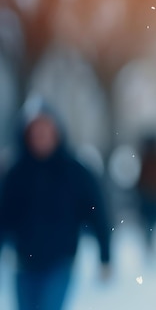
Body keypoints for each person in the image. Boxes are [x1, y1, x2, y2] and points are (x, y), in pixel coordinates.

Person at [0, 99, 112, 310]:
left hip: (60, 263)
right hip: (23, 264)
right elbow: (3, 217)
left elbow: (97, 214)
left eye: (46, 129)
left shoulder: (76, 171)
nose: (40, 136)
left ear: (56, 132)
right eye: (35, 130)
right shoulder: (14, 172)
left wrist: (105, 256)